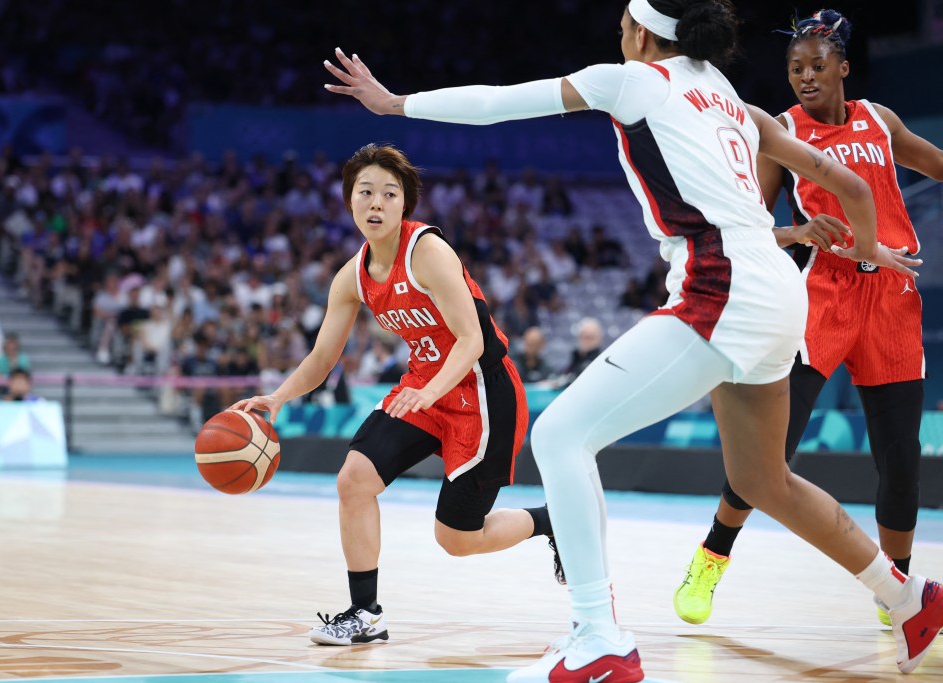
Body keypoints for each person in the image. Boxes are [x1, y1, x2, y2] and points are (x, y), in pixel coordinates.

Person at [323, 0, 941, 680]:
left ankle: (599, 637)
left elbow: (500, 103)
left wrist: (394, 103)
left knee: (560, 435)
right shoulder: (725, 92)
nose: (618, 36)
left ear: (643, 34)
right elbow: (848, 181)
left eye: (623, 27)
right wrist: (867, 250)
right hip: (780, 292)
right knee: (766, 479)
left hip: (723, 287)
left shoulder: (635, 80)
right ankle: (909, 595)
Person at [673, 8, 943, 628]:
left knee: (900, 458)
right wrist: (797, 230)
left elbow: (933, 163)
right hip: (821, 294)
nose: (805, 77)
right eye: (795, 69)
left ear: (844, 68)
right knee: (771, 451)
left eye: (818, 66)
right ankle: (711, 557)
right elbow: (752, 226)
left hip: (893, 301)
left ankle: (896, 589)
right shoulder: (785, 132)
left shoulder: (879, 119)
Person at [231, 144, 561, 648]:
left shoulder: (427, 251)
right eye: (366, 193)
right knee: (354, 479)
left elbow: (472, 340)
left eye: (390, 193)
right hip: (424, 387)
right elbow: (322, 359)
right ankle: (364, 615)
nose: (377, 203)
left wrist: (428, 392)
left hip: (483, 391)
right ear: (350, 202)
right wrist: (276, 398)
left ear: (405, 204)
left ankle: (550, 521)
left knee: (456, 539)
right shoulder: (352, 276)